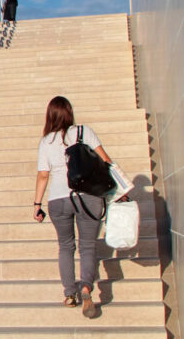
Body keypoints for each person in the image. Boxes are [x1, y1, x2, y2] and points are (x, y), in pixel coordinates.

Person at [33, 96, 121, 319]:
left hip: (58, 200)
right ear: (70, 113)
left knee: (65, 246)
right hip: (88, 196)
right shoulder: (84, 132)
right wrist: (120, 189)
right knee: (88, 246)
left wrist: (37, 204)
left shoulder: (46, 142)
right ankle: (86, 289)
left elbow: (43, 175)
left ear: (49, 115)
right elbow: (107, 161)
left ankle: (70, 294)